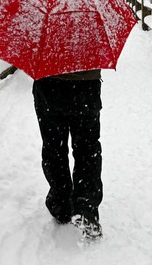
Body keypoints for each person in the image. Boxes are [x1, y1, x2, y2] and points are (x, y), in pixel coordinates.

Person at [32, 68, 103, 241]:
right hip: (86, 85)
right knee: (87, 149)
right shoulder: (90, 39)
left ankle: (61, 203)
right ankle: (86, 208)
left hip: (49, 85)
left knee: (54, 148)